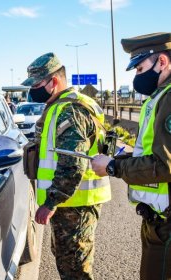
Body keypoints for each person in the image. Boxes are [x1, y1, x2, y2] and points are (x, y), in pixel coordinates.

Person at [22, 52, 111, 279]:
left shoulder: (71, 110)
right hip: (70, 202)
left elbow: (72, 163)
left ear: (54, 81)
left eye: (38, 84)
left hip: (76, 203)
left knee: (75, 268)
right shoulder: (59, 106)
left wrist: (50, 202)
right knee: (67, 260)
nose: (34, 90)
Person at [91, 32, 171, 279]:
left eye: (140, 68)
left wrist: (114, 168)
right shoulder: (157, 98)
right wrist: (117, 160)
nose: (137, 76)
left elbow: (165, 166)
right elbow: (150, 153)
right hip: (158, 218)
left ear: (162, 62)